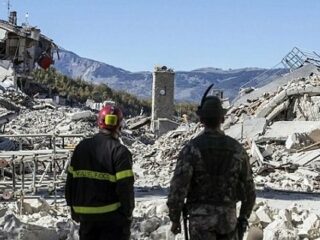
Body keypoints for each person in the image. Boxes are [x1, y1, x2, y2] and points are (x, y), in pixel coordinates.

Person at [167, 85, 256, 240]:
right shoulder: (237, 150)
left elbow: (178, 188)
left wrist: (175, 219)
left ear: (201, 120)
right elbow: (249, 190)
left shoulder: (191, 149)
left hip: (200, 222)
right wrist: (243, 218)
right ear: (222, 119)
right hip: (228, 221)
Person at [65, 104, 134, 240]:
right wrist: (128, 213)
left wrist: (72, 208)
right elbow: (125, 187)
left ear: (99, 123)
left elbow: (70, 182)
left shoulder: (81, 147)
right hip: (112, 221)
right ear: (119, 125)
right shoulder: (120, 152)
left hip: (86, 219)